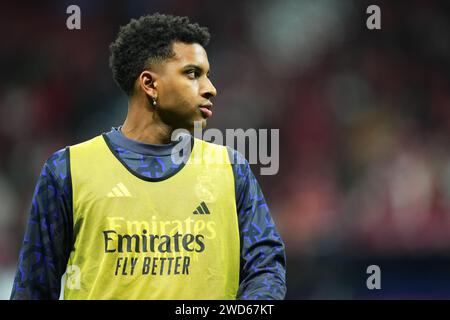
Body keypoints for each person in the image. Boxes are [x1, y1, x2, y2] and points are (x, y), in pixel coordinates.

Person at [10, 13, 286, 300]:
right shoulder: (67, 171)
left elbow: (266, 267)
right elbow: (33, 289)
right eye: (193, 74)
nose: (210, 88)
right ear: (150, 84)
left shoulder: (230, 169)